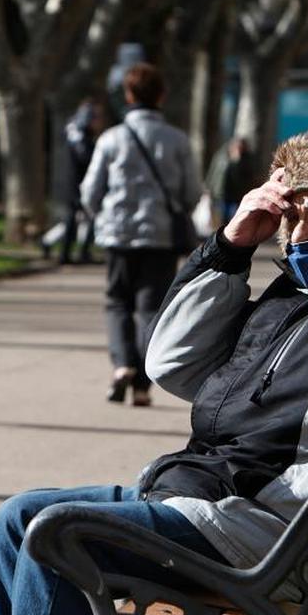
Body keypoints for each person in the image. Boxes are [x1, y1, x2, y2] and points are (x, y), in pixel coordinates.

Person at [0, 122, 308, 615]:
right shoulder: (302, 292)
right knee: (17, 522)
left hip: (264, 532)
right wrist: (232, 244)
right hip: (209, 501)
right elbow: (173, 363)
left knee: (53, 535)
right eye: (293, 214)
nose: (300, 234)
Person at [81, 63, 201, 407]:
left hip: (118, 235)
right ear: (161, 96)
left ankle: (121, 367)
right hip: (161, 236)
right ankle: (144, 384)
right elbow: (191, 192)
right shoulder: (178, 140)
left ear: (129, 95)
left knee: (117, 301)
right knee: (151, 308)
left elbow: (90, 191)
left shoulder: (110, 139)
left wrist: (101, 215)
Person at [58, 99, 105, 264]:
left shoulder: (76, 133)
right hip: (76, 184)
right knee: (73, 220)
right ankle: (67, 252)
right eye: (96, 118)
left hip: (77, 183)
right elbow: (86, 158)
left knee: (77, 219)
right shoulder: (80, 137)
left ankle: (78, 251)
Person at [205, 135, 258, 222]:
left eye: (241, 147)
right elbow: (213, 173)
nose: (238, 149)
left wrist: (237, 161)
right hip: (220, 196)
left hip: (235, 197)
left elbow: (243, 179)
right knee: (219, 221)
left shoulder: (246, 161)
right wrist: (208, 188)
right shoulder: (221, 156)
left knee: (232, 221)